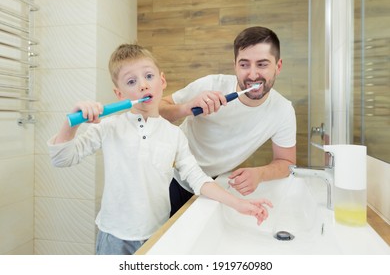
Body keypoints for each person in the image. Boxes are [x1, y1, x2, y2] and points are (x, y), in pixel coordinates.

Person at [47, 44, 273, 255]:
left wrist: (239, 204)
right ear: (119, 94)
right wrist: (71, 123)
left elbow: (198, 179)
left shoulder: (174, 135)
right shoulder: (109, 128)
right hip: (113, 237)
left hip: (157, 234)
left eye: (148, 76)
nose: (143, 85)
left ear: (162, 81)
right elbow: (61, 159)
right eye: (131, 82)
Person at [159, 26, 296, 216]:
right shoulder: (210, 84)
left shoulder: (283, 110)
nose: (253, 74)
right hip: (169, 176)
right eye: (244, 64)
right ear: (235, 66)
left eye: (262, 64)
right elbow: (156, 109)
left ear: (278, 66)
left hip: (211, 185)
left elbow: (287, 162)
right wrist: (187, 107)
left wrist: (260, 174)